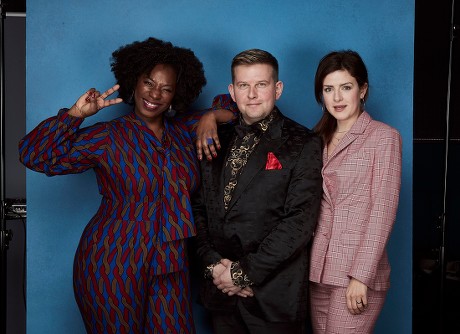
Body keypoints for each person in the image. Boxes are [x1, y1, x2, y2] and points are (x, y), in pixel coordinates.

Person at [19, 37, 234, 333]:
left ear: (176, 95)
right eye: (148, 83)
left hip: (169, 259)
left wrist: (210, 115)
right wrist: (74, 116)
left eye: (166, 88)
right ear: (133, 82)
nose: (155, 94)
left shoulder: (186, 131)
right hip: (112, 259)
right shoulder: (108, 136)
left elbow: (237, 109)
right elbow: (35, 155)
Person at [192, 49, 323, 333]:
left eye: (261, 85)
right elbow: (200, 209)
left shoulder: (304, 142)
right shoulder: (215, 138)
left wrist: (240, 275)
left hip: (273, 299)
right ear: (232, 91)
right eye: (243, 85)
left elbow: (299, 222)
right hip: (221, 296)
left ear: (277, 89)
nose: (252, 94)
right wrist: (214, 266)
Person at [308, 50, 402, 333]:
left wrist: (361, 277)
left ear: (362, 90)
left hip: (356, 275)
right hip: (317, 272)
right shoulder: (316, 139)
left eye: (345, 87)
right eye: (328, 89)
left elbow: (382, 212)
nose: (336, 98)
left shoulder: (383, 137)